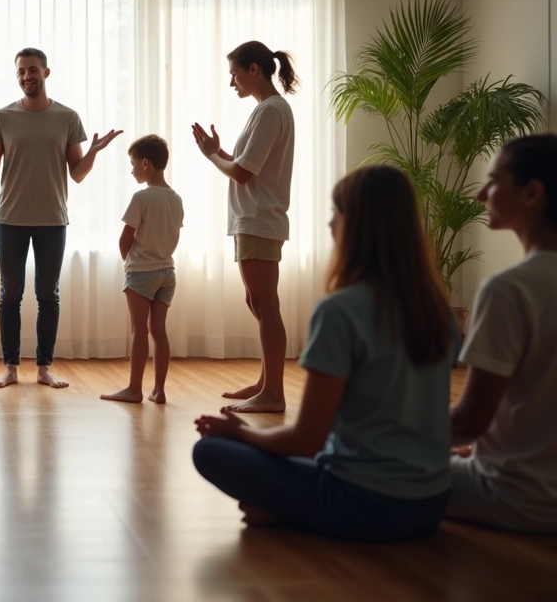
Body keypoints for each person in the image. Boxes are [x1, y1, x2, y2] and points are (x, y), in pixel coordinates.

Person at [192, 165, 455, 542]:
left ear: (359, 226)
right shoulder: (437, 308)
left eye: (337, 213)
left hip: (362, 502)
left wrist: (242, 434)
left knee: (210, 450)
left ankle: (289, 513)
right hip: (431, 503)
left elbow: (306, 440)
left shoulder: (340, 310)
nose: (331, 224)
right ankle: (286, 509)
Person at [0, 47, 122, 389]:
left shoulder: (67, 117)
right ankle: (11, 367)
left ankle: (44, 367)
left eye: (32, 70)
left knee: (48, 295)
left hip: (52, 220)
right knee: (10, 295)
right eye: (21, 71)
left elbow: (77, 174)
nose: (26, 76)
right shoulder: (3, 117)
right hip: (10, 219)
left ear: (46, 73)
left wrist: (93, 151)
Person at [447, 133, 557, 533]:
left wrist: (384, 432)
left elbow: (468, 421)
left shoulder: (510, 288)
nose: (480, 194)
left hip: (514, 496)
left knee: (359, 462)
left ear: (532, 193)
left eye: (493, 181)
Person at [191, 41, 298, 413]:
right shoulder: (267, 111)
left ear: (254, 70)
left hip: (258, 219)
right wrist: (219, 153)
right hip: (253, 219)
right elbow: (242, 166)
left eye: (235, 74)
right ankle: (265, 383)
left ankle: (273, 394)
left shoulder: (270, 112)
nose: (232, 82)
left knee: (265, 305)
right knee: (259, 302)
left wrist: (212, 157)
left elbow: (240, 172)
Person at [101, 135, 182, 405]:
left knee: (139, 331)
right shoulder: (175, 198)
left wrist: (129, 263)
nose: (132, 169)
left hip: (142, 273)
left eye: (133, 163)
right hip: (167, 273)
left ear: (145, 163)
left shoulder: (142, 197)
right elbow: (173, 236)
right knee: (159, 331)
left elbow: (125, 238)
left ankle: (134, 389)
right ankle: (159, 390)